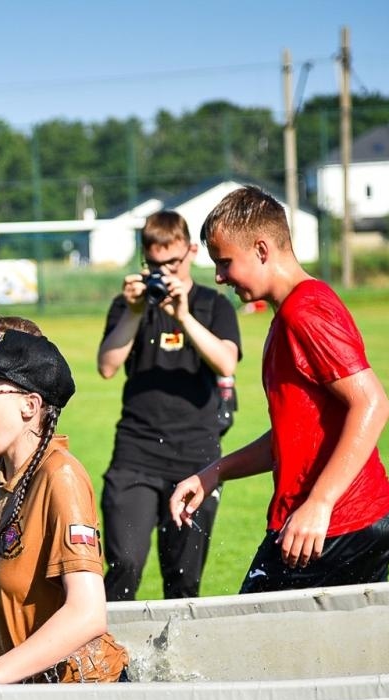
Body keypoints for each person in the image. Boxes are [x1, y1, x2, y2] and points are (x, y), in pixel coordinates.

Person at [170, 185, 389, 594]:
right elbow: (293, 435)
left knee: (247, 646)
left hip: (336, 524)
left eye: (225, 263)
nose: (220, 277)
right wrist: (214, 473)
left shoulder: (305, 310)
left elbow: (372, 403)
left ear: (262, 249)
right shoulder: (290, 314)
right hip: (339, 521)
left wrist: (319, 503)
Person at [0, 324, 129, 685]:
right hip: (22, 697)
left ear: (29, 406)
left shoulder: (60, 478)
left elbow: (88, 613)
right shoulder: (0, 475)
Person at [97, 210, 241, 601]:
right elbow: (107, 366)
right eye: (154, 265)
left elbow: (226, 361)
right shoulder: (129, 305)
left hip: (195, 458)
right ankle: (106, 660)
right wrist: (133, 313)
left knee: (183, 580)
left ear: (191, 252)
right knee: (124, 565)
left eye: (172, 263)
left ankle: (171, 663)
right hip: (136, 455)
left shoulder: (214, 306)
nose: (164, 273)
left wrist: (183, 315)